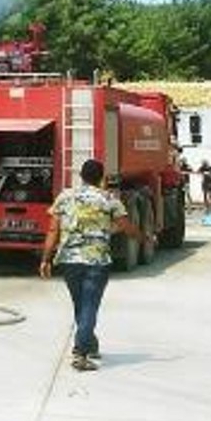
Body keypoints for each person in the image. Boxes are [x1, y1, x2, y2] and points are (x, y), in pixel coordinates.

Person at [38, 159, 147, 372]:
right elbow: (127, 227)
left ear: (81, 176)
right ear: (101, 178)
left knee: (81, 305)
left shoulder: (65, 197)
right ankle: (81, 352)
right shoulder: (109, 199)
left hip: (70, 261)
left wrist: (45, 259)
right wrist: (146, 239)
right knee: (89, 306)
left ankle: (90, 342)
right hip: (97, 262)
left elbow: (53, 231)